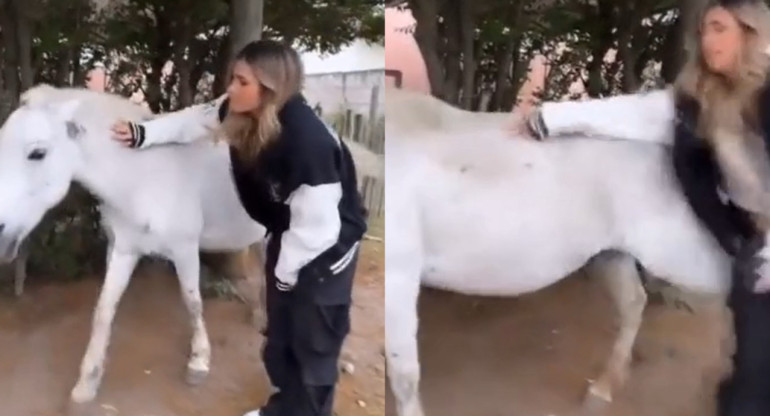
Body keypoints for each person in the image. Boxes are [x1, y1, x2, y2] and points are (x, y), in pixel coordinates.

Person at [512, 0, 770, 414]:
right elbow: (635, 113)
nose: (708, 40)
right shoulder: (696, 98)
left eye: (720, 28)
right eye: (704, 30)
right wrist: (549, 119)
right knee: (753, 362)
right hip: (752, 229)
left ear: (750, 32)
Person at [111, 39, 368, 416]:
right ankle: (282, 408)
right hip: (288, 230)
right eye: (233, 78)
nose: (230, 88)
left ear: (271, 87)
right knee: (280, 334)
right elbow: (193, 119)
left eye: (241, 81)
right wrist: (143, 134)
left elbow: (317, 228)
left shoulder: (305, 142)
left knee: (313, 339)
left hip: (327, 245)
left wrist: (284, 276)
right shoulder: (240, 110)